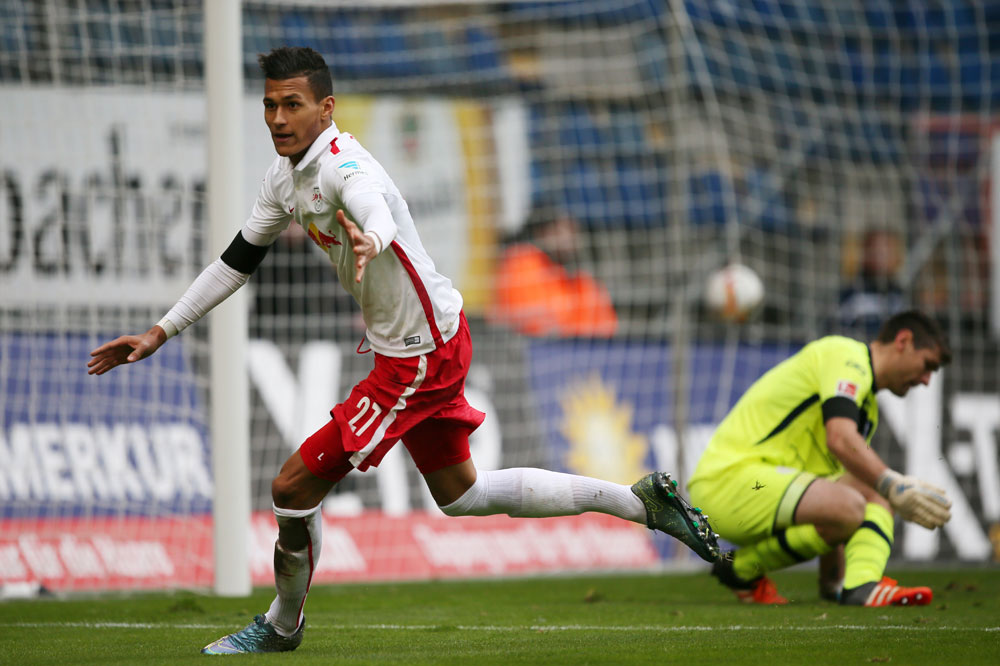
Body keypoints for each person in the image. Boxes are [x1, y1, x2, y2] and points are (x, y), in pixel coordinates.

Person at [87, 47, 719, 655]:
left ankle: (281, 626)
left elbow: (372, 205)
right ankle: (641, 503)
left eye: (292, 105)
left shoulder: (342, 166)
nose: (278, 118)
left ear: (326, 108)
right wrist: (160, 331)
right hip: (426, 339)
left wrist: (373, 239)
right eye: (270, 106)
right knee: (462, 495)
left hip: (420, 355)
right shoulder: (284, 179)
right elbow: (236, 262)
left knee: (292, 486)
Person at [687, 310, 952, 606]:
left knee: (872, 493)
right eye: (928, 365)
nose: (927, 380)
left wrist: (831, 583)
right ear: (904, 341)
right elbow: (839, 438)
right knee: (863, 496)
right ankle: (745, 567)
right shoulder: (846, 356)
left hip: (760, 490)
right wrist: (892, 482)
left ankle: (860, 584)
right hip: (728, 483)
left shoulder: (867, 410)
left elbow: (830, 493)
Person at [489, 206, 618, 337]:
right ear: (544, 232)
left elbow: (605, 327)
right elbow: (531, 323)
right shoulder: (522, 263)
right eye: (565, 229)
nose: (573, 239)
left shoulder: (581, 281)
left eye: (575, 231)